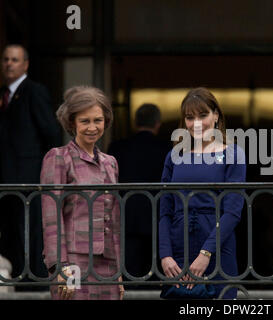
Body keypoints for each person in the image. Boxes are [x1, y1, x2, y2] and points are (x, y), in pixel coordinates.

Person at [159, 87, 246, 299]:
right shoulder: (174, 155)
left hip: (217, 244)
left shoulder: (233, 154)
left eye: (203, 115)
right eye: (189, 117)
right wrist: (165, 255)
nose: (196, 123)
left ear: (216, 116)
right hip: (179, 245)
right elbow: (164, 212)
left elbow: (233, 212)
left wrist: (206, 253)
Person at [40, 86, 124, 300]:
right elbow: (51, 218)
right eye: (85, 121)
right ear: (72, 123)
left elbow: (114, 219)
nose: (92, 127)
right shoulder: (59, 157)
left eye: (98, 120)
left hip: (108, 263)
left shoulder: (110, 162)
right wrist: (60, 266)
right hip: (73, 261)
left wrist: (119, 272)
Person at [0, 44, 60, 288]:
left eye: (14, 60)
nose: (9, 64)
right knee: (11, 234)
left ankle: (33, 285)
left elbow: (51, 133)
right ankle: (16, 280)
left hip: (29, 179)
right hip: (7, 180)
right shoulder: (3, 95)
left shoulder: (35, 91)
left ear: (25, 64)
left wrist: (45, 172)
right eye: (5, 59)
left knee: (30, 233)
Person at [108, 103, 170, 288]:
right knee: (158, 279)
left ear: (135, 123)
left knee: (130, 278)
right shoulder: (167, 149)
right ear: (158, 124)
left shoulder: (118, 147)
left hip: (126, 220)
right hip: (158, 220)